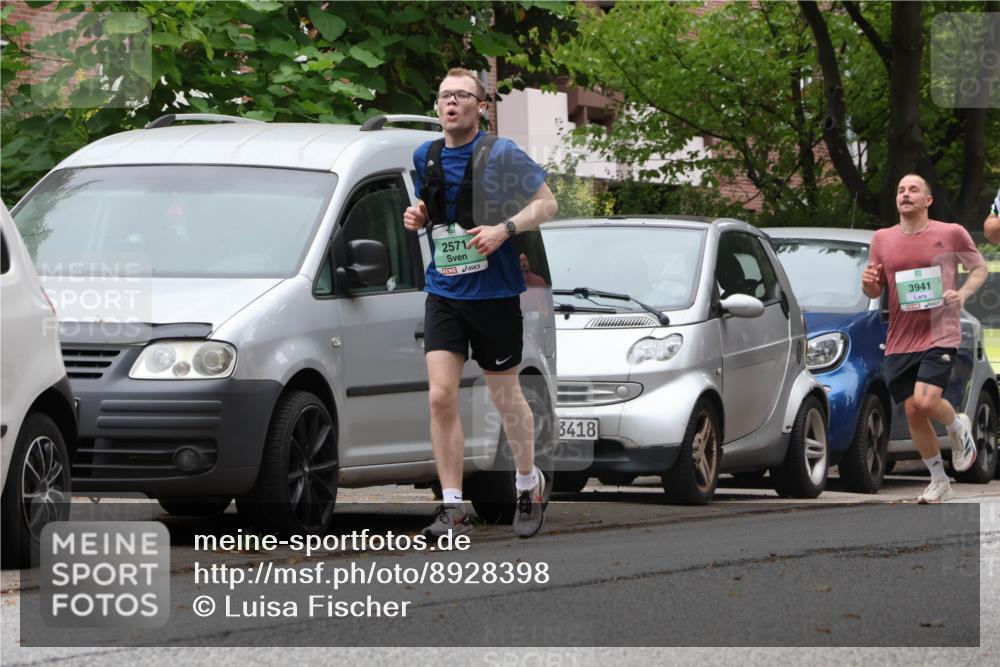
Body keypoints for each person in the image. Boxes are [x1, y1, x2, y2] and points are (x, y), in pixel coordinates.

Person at [402, 68, 558, 538]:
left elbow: (547, 204)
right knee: (440, 394)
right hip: (444, 292)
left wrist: (504, 229)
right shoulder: (423, 154)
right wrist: (419, 215)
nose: (452, 103)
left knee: (504, 396)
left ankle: (528, 482)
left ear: (480, 107)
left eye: (462, 96)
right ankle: (452, 506)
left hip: (493, 295)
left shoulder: (501, 153)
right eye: (445, 95)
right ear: (437, 106)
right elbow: (437, 209)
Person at [861, 174, 988, 503]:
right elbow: (873, 288)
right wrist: (869, 282)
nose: (905, 194)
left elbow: (978, 268)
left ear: (927, 200)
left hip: (940, 331)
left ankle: (958, 425)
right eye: (900, 190)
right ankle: (938, 479)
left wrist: (961, 295)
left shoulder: (950, 233)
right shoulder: (882, 239)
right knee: (915, 411)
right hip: (901, 338)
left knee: (928, 401)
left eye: (913, 190)